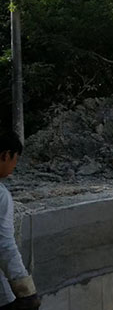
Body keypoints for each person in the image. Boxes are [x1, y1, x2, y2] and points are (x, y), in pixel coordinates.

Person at [0, 131, 40, 310]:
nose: (15, 165)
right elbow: (4, 244)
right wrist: (26, 291)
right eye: (15, 159)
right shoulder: (1, 196)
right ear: (5, 155)